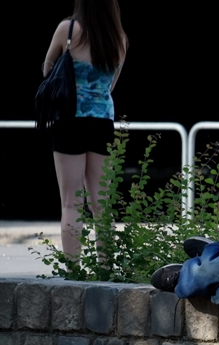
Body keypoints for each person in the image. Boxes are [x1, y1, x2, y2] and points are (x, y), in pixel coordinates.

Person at [42, 0, 128, 261]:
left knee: (71, 201)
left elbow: (47, 70)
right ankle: (105, 266)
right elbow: (110, 85)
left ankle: (73, 269)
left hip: (68, 120)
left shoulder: (66, 30)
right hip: (102, 121)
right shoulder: (119, 38)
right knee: (101, 203)